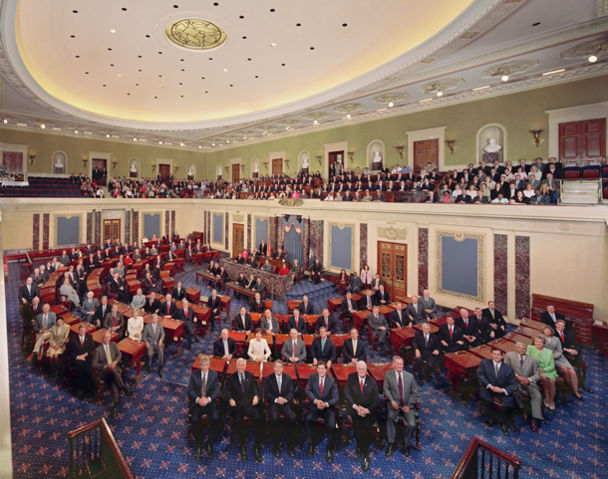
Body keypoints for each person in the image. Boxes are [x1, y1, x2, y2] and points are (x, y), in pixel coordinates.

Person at [344, 361, 379, 471]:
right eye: (359, 368)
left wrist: (367, 410)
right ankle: (359, 445)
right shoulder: (351, 377)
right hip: (355, 410)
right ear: (356, 369)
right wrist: (355, 407)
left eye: (363, 368)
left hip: (368, 412)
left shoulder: (372, 381)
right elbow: (347, 393)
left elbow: (376, 400)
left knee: (366, 429)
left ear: (366, 369)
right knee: (358, 427)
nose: (361, 370)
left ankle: (366, 455)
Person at [226, 358, 263, 461]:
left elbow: (255, 389)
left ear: (245, 366)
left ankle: (256, 446)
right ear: (236, 366)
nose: (241, 367)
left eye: (243, 365)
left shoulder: (250, 375)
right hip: (238, 406)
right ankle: (242, 445)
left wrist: (256, 396)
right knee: (238, 422)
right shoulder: (232, 378)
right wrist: (230, 399)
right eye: (239, 365)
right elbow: (227, 391)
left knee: (258, 418)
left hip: (249, 404)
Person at [477, 347, 518, 435]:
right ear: (491, 354)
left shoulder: (508, 369)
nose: (496, 356)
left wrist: (503, 390)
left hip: (501, 390)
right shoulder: (484, 363)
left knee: (509, 403)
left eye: (498, 355)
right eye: (494, 354)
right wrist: (489, 385)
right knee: (485, 398)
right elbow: (480, 375)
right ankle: (491, 418)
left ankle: (504, 424)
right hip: (489, 388)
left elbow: (515, 385)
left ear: (502, 356)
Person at [504, 342, 543, 432]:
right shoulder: (509, 355)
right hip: (514, 381)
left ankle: (534, 419)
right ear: (516, 348)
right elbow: (506, 369)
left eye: (524, 349)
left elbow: (537, 375)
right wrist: (517, 376)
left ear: (526, 350)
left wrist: (528, 379)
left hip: (528, 382)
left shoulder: (533, 360)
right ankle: (524, 410)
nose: (521, 350)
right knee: (515, 391)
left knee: (537, 396)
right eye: (519, 348)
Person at [92, 331, 133, 416]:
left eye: (108, 337)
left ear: (110, 338)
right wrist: (105, 366)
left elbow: (119, 355)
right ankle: (123, 387)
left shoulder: (113, 345)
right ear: (102, 339)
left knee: (113, 381)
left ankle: (115, 406)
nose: (106, 339)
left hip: (113, 371)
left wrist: (115, 362)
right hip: (104, 372)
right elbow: (94, 364)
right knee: (111, 369)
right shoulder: (98, 349)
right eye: (105, 338)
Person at [384, 356, 418, 457]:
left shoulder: (410, 376)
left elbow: (415, 393)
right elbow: (386, 389)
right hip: (394, 405)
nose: (399, 366)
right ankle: (391, 443)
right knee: (390, 418)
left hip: (407, 405)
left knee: (412, 424)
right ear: (393, 364)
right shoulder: (388, 374)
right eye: (397, 364)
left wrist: (409, 405)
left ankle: (405, 443)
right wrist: (392, 401)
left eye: (401, 364)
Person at [305, 361, 338, 462]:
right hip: (315, 405)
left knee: (332, 425)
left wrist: (326, 404)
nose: (320, 371)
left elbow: (336, 398)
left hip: (327, 407)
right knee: (308, 419)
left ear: (326, 370)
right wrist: (315, 401)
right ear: (317, 369)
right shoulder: (312, 377)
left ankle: (329, 449)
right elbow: (308, 390)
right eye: (319, 368)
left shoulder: (331, 381)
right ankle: (311, 444)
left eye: (322, 369)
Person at [188, 356, 220, 459]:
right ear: (200, 365)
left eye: (206, 365)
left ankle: (209, 442)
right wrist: (198, 399)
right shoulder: (194, 375)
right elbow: (190, 390)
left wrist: (208, 399)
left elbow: (216, 390)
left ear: (209, 365)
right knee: (194, 419)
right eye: (202, 365)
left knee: (215, 418)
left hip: (210, 403)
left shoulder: (214, 374)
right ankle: (199, 443)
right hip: (198, 403)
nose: (204, 367)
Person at [264, 360, 296, 457]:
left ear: (282, 368)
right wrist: (276, 399)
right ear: (273, 368)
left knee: (291, 418)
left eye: (280, 367)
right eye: (276, 367)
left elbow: (291, 392)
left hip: (285, 403)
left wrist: (285, 399)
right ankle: (276, 446)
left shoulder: (288, 378)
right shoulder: (269, 379)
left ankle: (291, 446)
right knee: (274, 419)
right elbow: (266, 393)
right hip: (274, 403)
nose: (278, 369)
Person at [543, 326, 582, 400]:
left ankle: (576, 391)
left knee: (572, 372)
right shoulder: (541, 339)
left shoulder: (556, 339)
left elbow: (560, 351)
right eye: (546, 330)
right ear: (543, 331)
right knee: (565, 370)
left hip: (559, 357)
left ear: (552, 331)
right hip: (550, 359)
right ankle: (569, 386)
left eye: (549, 330)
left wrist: (555, 356)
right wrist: (551, 357)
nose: (547, 331)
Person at [526, 335, 557, 410]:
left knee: (552, 381)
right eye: (536, 341)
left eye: (540, 342)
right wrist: (537, 369)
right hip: (536, 370)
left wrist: (544, 370)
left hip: (549, 370)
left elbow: (552, 366)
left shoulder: (549, 352)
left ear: (544, 343)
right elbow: (527, 360)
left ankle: (551, 400)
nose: (538, 343)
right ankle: (547, 397)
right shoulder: (530, 348)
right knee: (544, 379)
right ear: (534, 342)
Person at [67, 323, 95, 396]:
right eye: (81, 330)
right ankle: (79, 388)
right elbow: (69, 351)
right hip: (76, 359)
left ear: (85, 330)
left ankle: (88, 388)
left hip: (86, 358)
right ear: (78, 331)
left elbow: (91, 349)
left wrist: (84, 355)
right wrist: (78, 357)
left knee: (87, 369)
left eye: (83, 330)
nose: (82, 332)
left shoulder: (89, 337)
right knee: (80, 368)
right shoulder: (73, 339)